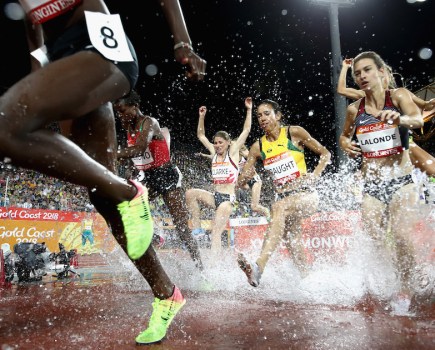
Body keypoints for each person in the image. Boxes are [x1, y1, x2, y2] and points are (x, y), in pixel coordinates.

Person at [0, 0, 206, 345]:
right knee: (102, 196)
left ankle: (129, 191)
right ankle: (166, 294)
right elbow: (32, 28)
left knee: (5, 125)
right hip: (65, 61)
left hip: (100, 49)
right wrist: (40, 72)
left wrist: (182, 41)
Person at [339, 51, 424, 310]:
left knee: (400, 234)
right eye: (358, 73)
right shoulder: (355, 109)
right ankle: (400, 274)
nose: (362, 76)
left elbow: (418, 119)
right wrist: (345, 144)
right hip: (373, 185)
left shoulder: (397, 97)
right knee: (374, 238)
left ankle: (405, 290)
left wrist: (400, 119)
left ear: (380, 72)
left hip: (401, 179)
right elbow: (344, 136)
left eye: (367, 70)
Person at [237, 99, 331, 286]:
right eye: (259, 115)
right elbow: (243, 179)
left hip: (306, 195)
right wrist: (240, 173)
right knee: (292, 242)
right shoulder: (258, 147)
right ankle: (310, 281)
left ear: (278, 116)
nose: (262, 118)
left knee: (278, 207)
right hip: (285, 198)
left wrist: (315, 175)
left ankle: (258, 267)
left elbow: (325, 153)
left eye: (266, 113)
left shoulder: (293, 133)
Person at [114, 90, 204, 271]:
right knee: (129, 208)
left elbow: (139, 149)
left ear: (135, 107)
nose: (120, 115)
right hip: (150, 177)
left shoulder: (149, 122)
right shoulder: (128, 126)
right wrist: (131, 172)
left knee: (182, 228)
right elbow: (136, 157)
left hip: (167, 175)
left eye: (123, 111)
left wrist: (112, 154)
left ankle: (200, 268)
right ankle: (155, 238)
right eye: (118, 112)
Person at [338, 58, 435, 177]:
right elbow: (341, 90)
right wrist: (345, 68)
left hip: (403, 145)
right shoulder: (363, 96)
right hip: (376, 154)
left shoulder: (399, 94)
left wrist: (431, 103)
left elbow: (424, 105)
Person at [186, 98, 252, 255]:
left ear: (228, 143)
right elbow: (201, 136)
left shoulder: (233, 152)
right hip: (215, 196)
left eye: (220, 142)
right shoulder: (214, 153)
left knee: (216, 230)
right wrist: (201, 117)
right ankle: (197, 231)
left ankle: (215, 266)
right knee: (190, 193)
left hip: (227, 200)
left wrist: (249, 110)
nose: (217, 145)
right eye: (215, 143)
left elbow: (246, 131)